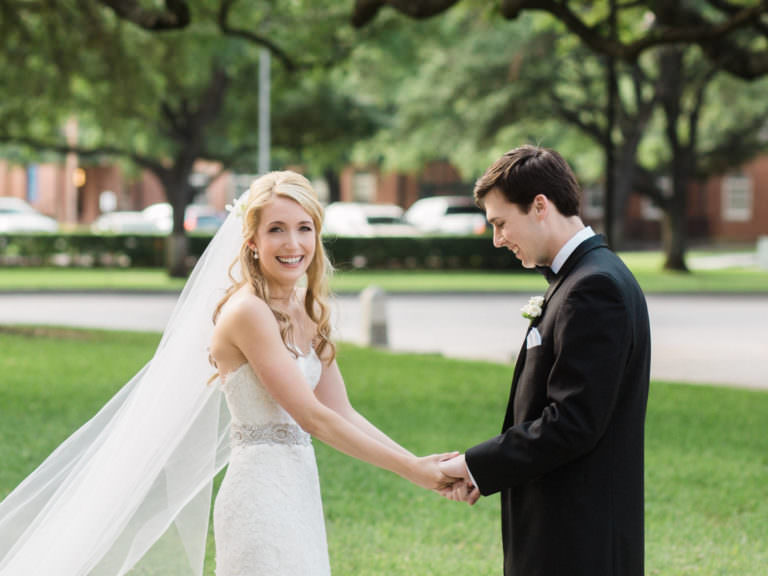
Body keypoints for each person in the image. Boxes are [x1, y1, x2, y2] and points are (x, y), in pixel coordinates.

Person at [0, 171, 455, 576]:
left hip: (299, 489)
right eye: (276, 229)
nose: (293, 244)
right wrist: (412, 471)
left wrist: (421, 462)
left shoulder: (306, 308)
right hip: (259, 499)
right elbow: (311, 417)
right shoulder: (247, 313)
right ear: (252, 240)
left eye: (304, 229)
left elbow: (342, 410)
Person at [439, 145, 651, 576]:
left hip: (578, 542)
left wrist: (475, 465)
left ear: (540, 206)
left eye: (501, 223)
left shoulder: (593, 288)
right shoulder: (582, 278)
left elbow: (572, 422)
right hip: (564, 533)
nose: (498, 239)